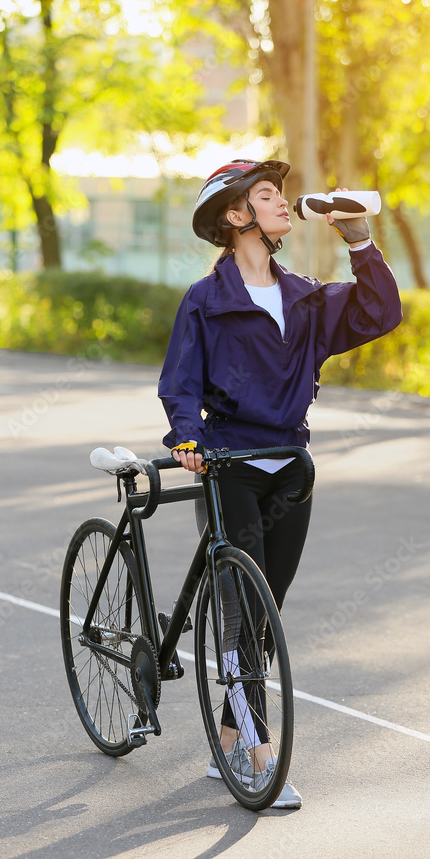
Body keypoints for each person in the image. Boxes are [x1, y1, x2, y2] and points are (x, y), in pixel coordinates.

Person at [158, 158, 402, 808]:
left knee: (268, 612)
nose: (282, 204)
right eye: (267, 196)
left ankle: (234, 727)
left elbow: (380, 311)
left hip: (290, 469)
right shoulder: (205, 303)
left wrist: (359, 241)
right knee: (241, 615)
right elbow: (178, 385)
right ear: (236, 215)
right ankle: (258, 758)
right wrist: (186, 438)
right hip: (229, 468)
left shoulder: (307, 299)